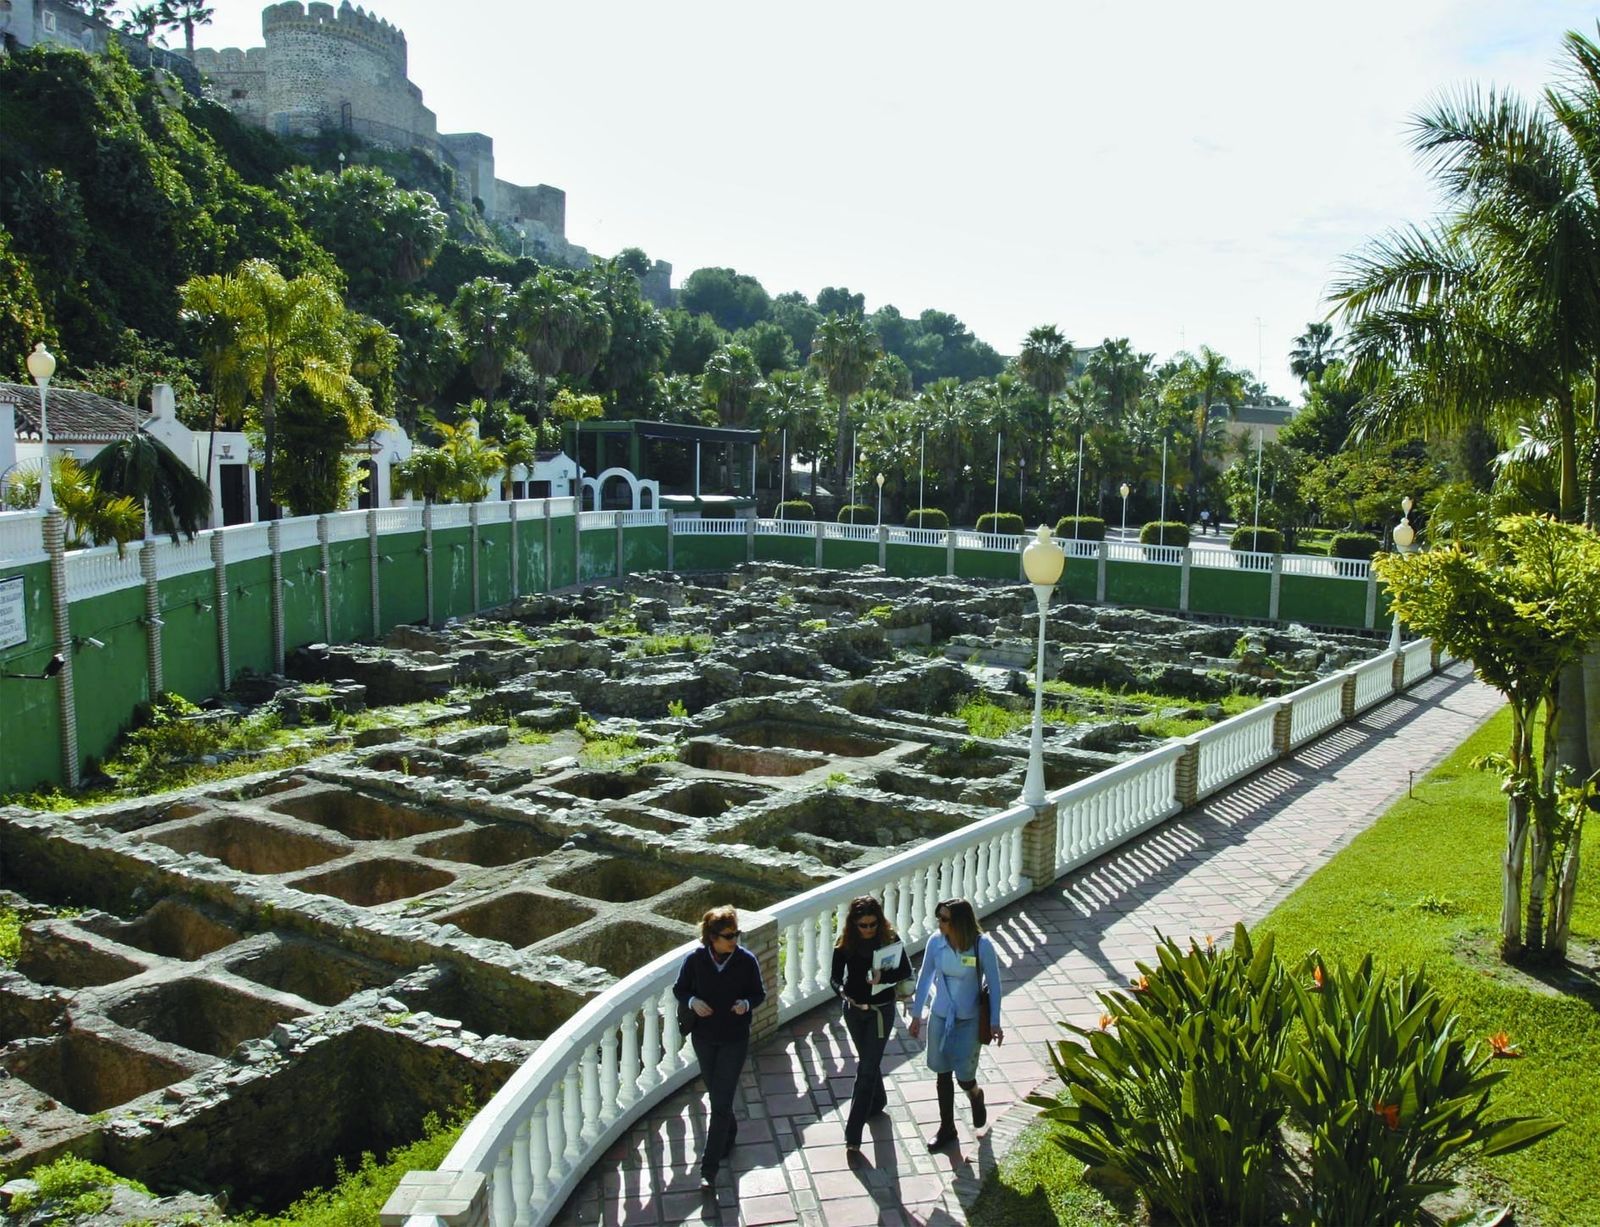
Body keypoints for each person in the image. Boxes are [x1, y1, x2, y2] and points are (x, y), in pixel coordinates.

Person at [673, 905, 765, 1189]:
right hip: (703, 1038)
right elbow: (680, 989)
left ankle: (708, 1169)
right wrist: (692, 1002)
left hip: (734, 1039)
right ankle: (729, 1131)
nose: (734, 940)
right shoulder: (695, 960)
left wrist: (745, 1004)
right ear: (712, 937)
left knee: (720, 1103)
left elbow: (758, 993)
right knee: (718, 1096)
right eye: (728, 936)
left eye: (736, 934)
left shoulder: (746, 961)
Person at [907, 897, 1003, 1151]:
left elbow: (994, 985)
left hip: (969, 1019)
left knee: (964, 1076)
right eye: (938, 917)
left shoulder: (981, 946)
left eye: (944, 919)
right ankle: (947, 1128)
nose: (939, 923)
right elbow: (925, 977)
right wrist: (916, 1015)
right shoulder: (936, 942)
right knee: (942, 1073)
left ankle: (975, 1094)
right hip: (941, 1015)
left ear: (959, 922)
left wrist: (995, 1022)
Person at [830, 894, 913, 1152]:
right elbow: (834, 978)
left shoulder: (890, 940)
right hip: (853, 1011)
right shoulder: (844, 944)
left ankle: (853, 1135)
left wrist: (883, 976)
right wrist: (842, 993)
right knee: (869, 1060)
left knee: (865, 1070)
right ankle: (878, 1101)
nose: (868, 929)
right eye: (863, 925)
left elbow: (905, 971)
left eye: (872, 924)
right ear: (853, 924)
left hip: (881, 1011)